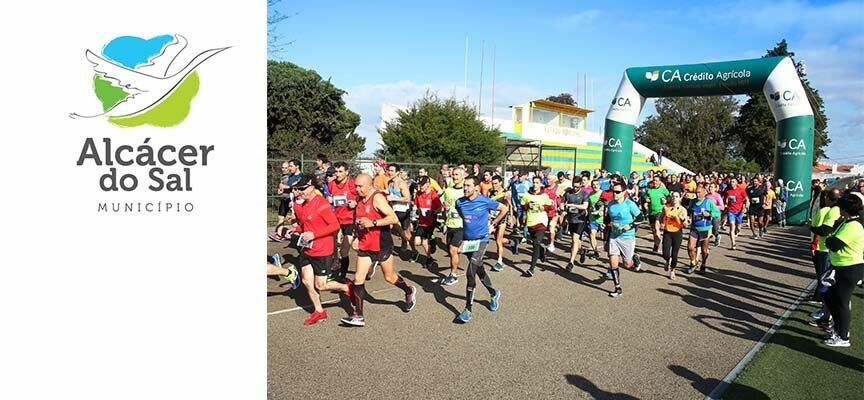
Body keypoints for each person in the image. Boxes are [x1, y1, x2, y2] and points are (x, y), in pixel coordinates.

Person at [342, 173, 418, 327]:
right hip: (365, 244)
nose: (356, 189)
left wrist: (373, 222)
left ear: (370, 185)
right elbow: (359, 221)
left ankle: (408, 290)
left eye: (360, 186)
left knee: (389, 277)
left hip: (381, 244)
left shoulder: (377, 198)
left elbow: (393, 218)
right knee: (358, 278)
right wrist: (357, 236)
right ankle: (359, 315)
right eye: (355, 186)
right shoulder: (358, 199)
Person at [286, 175, 351, 326]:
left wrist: (314, 235)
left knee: (321, 285)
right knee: (307, 282)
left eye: (303, 188)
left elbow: (334, 225)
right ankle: (319, 311)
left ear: (312, 188)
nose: (300, 191)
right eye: (298, 189)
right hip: (307, 250)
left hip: (322, 250)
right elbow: (305, 225)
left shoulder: (321, 204)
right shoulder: (303, 204)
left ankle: (346, 287)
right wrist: (295, 229)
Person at [453, 176, 507, 323]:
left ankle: (467, 310)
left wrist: (493, 224)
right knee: (479, 269)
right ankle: (493, 292)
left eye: (468, 186)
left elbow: (504, 208)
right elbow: (462, 215)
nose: (465, 188)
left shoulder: (484, 200)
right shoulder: (459, 202)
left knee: (471, 271)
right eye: (464, 186)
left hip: (482, 240)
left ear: (476, 187)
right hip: (468, 241)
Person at [821, 193, 864, 347]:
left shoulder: (854, 225)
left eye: (840, 207)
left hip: (850, 267)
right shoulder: (848, 222)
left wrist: (829, 237)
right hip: (842, 266)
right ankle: (839, 329)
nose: (838, 209)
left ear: (846, 209)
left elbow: (834, 244)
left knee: (841, 302)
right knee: (830, 297)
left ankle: (843, 336)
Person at [606, 182, 642, 297]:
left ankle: (634, 257)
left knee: (627, 264)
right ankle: (618, 288)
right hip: (614, 236)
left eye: (617, 192)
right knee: (613, 262)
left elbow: (641, 218)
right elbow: (607, 219)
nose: (615, 194)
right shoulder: (610, 204)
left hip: (627, 236)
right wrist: (605, 225)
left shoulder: (629, 204)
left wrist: (630, 225)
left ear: (624, 192)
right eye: (613, 191)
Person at [326, 161, 358, 281]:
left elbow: (361, 196)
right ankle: (335, 261)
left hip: (350, 219)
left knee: (345, 249)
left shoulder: (352, 184)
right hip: (336, 218)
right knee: (332, 243)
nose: (338, 174)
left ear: (347, 172)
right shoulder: (331, 184)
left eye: (340, 172)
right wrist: (328, 199)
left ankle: (343, 276)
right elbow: (329, 196)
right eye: (336, 172)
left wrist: (355, 203)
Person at [519, 176, 553, 277]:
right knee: (536, 243)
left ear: (541, 184)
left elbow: (550, 206)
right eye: (534, 182)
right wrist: (527, 206)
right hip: (530, 222)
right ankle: (542, 251)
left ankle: (531, 268)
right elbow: (522, 205)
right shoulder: (527, 195)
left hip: (541, 222)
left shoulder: (544, 196)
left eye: (537, 183)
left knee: (536, 243)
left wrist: (544, 207)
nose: (535, 185)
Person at [687, 184, 721, 274]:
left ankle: (703, 264)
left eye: (699, 192)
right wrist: (688, 217)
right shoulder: (692, 202)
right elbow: (689, 211)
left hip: (705, 229)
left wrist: (709, 214)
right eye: (696, 192)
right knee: (690, 247)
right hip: (694, 228)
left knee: (704, 250)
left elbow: (717, 213)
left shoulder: (708, 202)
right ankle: (693, 263)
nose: (697, 194)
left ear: (703, 193)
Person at [440, 167, 466, 286]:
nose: (455, 177)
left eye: (457, 175)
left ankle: (453, 275)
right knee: (452, 251)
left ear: (463, 176)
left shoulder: (466, 191)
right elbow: (444, 207)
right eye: (453, 175)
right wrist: (444, 217)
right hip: (450, 224)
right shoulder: (449, 191)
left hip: (462, 225)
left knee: (452, 249)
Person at [411, 176, 442, 269]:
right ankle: (432, 241)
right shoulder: (418, 194)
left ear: (428, 184)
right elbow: (415, 205)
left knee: (424, 242)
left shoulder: (433, 195)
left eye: (422, 184)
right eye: (419, 184)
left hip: (430, 221)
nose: (421, 186)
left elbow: (440, 209)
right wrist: (414, 212)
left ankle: (429, 258)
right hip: (421, 222)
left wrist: (432, 212)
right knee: (416, 242)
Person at [659, 192, 689, 280]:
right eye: (673, 196)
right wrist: (661, 223)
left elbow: (686, 225)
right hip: (667, 232)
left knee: (674, 254)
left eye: (676, 196)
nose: (674, 198)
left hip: (677, 233)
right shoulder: (666, 207)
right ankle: (667, 260)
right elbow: (661, 217)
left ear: (680, 198)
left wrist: (682, 219)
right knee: (665, 254)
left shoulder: (682, 210)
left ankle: (672, 271)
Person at [563, 178, 590, 271]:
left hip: (580, 220)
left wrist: (573, 205)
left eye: (577, 187)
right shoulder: (568, 193)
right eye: (574, 186)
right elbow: (562, 203)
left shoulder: (584, 194)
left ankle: (571, 262)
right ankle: (582, 251)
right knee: (576, 241)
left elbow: (585, 206)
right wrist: (563, 208)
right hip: (571, 219)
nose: (575, 188)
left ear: (581, 185)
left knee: (574, 240)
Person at [272, 159, 302, 241]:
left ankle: (303, 235)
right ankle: (278, 234)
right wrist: (280, 190)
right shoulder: (285, 177)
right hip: (285, 199)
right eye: (283, 167)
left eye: (288, 167)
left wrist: (286, 188)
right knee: (281, 217)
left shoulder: (295, 176)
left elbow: (295, 187)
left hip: (293, 199)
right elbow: (282, 187)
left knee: (294, 220)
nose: (285, 169)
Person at [387, 164, 413, 252]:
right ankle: (386, 248)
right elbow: (389, 192)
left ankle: (413, 250)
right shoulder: (390, 183)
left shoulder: (401, 183)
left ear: (397, 172)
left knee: (406, 232)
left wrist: (393, 198)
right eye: (388, 170)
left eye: (392, 171)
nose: (389, 172)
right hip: (394, 209)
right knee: (389, 226)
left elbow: (407, 198)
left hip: (403, 210)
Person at [488, 175, 511, 272]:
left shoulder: (505, 194)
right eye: (492, 184)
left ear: (500, 183)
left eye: (496, 183)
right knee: (499, 238)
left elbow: (510, 205)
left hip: (503, 218)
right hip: (493, 218)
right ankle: (512, 242)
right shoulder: (491, 193)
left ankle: (499, 262)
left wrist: (510, 217)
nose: (494, 185)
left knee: (498, 240)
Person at [645, 176, 670, 253]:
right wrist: (646, 199)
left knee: (656, 228)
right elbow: (645, 197)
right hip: (651, 212)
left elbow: (669, 197)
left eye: (656, 181)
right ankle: (656, 244)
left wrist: (666, 201)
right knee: (653, 230)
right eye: (654, 181)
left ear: (660, 182)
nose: (655, 182)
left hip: (660, 211)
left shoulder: (663, 189)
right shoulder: (649, 190)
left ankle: (660, 245)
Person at [723, 177, 748, 250]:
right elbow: (725, 198)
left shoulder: (741, 190)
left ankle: (738, 230)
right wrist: (725, 204)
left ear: (736, 182)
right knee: (731, 226)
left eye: (733, 182)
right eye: (731, 182)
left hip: (739, 211)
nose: (732, 183)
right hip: (731, 211)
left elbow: (746, 199)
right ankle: (733, 244)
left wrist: (745, 207)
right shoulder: (727, 190)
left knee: (738, 227)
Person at [706, 183, 725, 247]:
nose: (710, 188)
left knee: (715, 230)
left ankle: (717, 236)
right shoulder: (706, 196)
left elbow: (722, 207)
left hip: (716, 215)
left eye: (711, 187)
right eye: (709, 187)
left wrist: (714, 207)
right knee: (707, 229)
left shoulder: (717, 196)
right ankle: (705, 243)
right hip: (708, 215)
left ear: (715, 188)